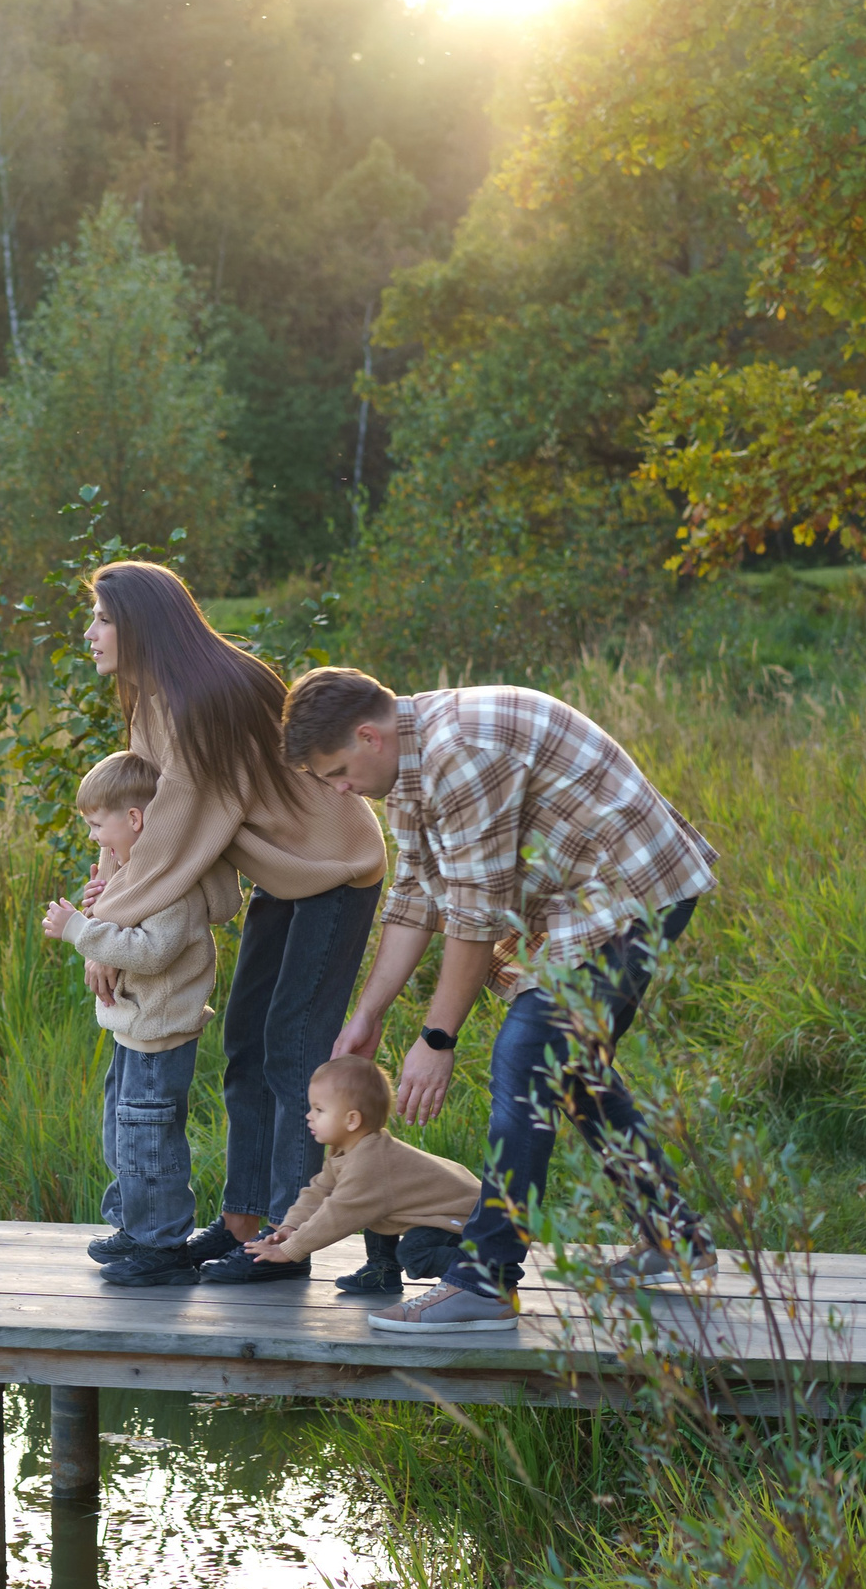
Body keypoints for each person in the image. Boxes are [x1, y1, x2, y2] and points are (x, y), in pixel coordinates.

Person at [281, 667, 720, 1335]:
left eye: (338, 770)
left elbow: (474, 919)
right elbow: (417, 898)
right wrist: (367, 1012)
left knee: (524, 1058)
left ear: (368, 736)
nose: (340, 788)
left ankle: (487, 1281)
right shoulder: (403, 766)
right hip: (578, 902)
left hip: (632, 891)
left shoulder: (462, 753)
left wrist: (436, 1039)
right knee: (568, 1072)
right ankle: (672, 1235)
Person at [78, 563, 387, 1286]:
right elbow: (141, 820)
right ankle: (244, 1223)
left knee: (290, 1051)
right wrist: (108, 898)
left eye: (100, 618)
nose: (90, 634)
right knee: (246, 1039)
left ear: (141, 625)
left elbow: (177, 830)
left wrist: (106, 930)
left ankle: (286, 1241)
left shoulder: (199, 700)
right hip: (285, 874)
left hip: (335, 872)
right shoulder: (161, 698)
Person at [41, 751, 245, 1287]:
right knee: (122, 1133)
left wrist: (80, 930)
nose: (93, 839)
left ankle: (164, 1243)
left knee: (149, 1136)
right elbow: (124, 911)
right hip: (132, 1029)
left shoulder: (173, 884)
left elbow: (152, 952)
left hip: (159, 1034)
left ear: (134, 820)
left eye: (96, 825)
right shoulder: (140, 874)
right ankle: (136, 1225)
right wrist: (104, 898)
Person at [243, 1057, 482, 1299]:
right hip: (439, 1211)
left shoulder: (370, 1164)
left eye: (319, 1109)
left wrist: (291, 1249)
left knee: (414, 1254)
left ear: (352, 1120)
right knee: (376, 1210)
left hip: (467, 1217)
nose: (309, 1116)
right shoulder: (349, 1149)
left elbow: (338, 1214)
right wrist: (290, 1226)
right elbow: (319, 1191)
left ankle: (487, 1273)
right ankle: (382, 1271)